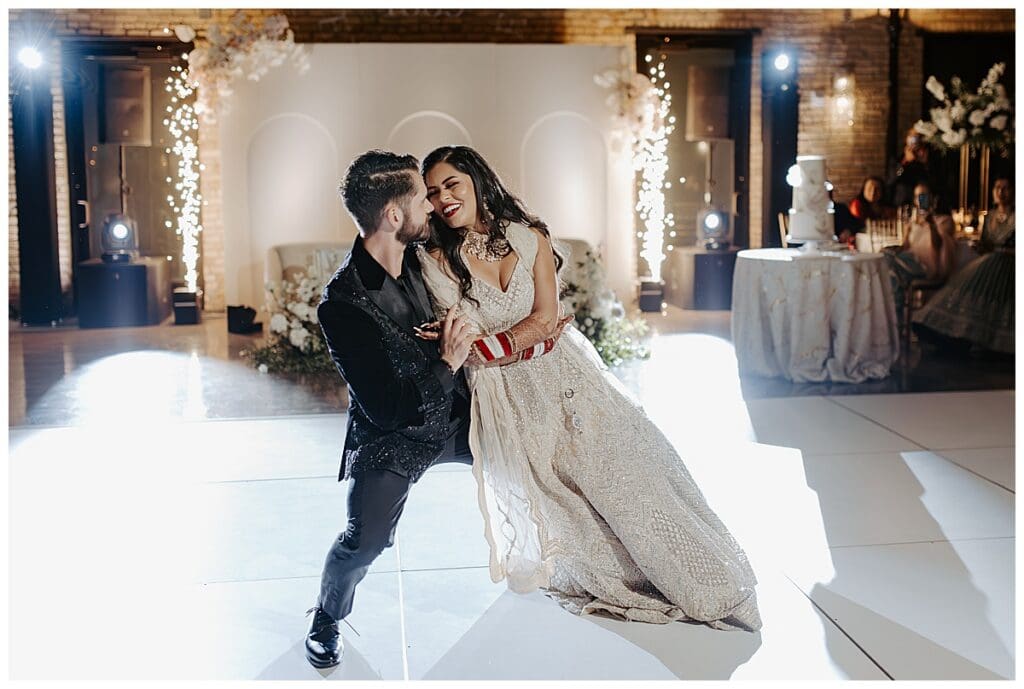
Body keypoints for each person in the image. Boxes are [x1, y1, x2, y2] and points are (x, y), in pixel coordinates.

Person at [414, 145, 762, 631]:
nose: (444, 198)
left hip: (570, 377)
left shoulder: (529, 236)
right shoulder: (435, 259)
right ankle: (625, 577)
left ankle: (705, 580)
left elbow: (547, 318)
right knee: (568, 502)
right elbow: (469, 342)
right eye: (432, 193)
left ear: (476, 180)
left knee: (631, 473)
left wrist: (512, 339)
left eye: (452, 184)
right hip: (509, 398)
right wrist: (521, 341)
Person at [305, 150, 567, 669]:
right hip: (394, 436)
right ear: (394, 216)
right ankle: (326, 616)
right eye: (420, 197)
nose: (433, 204)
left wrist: (537, 322)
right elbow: (385, 408)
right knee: (366, 541)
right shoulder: (341, 305)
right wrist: (447, 361)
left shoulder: (429, 258)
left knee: (549, 460)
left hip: (461, 415)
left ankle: (580, 566)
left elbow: (498, 264)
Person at [913, 176, 1015, 353]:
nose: (1001, 192)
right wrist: (982, 247)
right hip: (990, 261)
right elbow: (986, 244)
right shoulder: (990, 216)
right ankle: (946, 332)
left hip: (1010, 265)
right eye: (997, 187)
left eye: (1006, 188)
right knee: (967, 286)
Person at [882, 181, 957, 327]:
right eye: (917, 196)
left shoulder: (945, 221)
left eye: (924, 196)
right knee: (887, 262)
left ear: (933, 198)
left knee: (888, 265)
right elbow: (905, 247)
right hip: (909, 263)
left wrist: (932, 225)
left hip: (929, 267)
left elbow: (939, 246)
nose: (920, 200)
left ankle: (895, 320)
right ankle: (896, 317)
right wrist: (892, 249)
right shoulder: (913, 222)